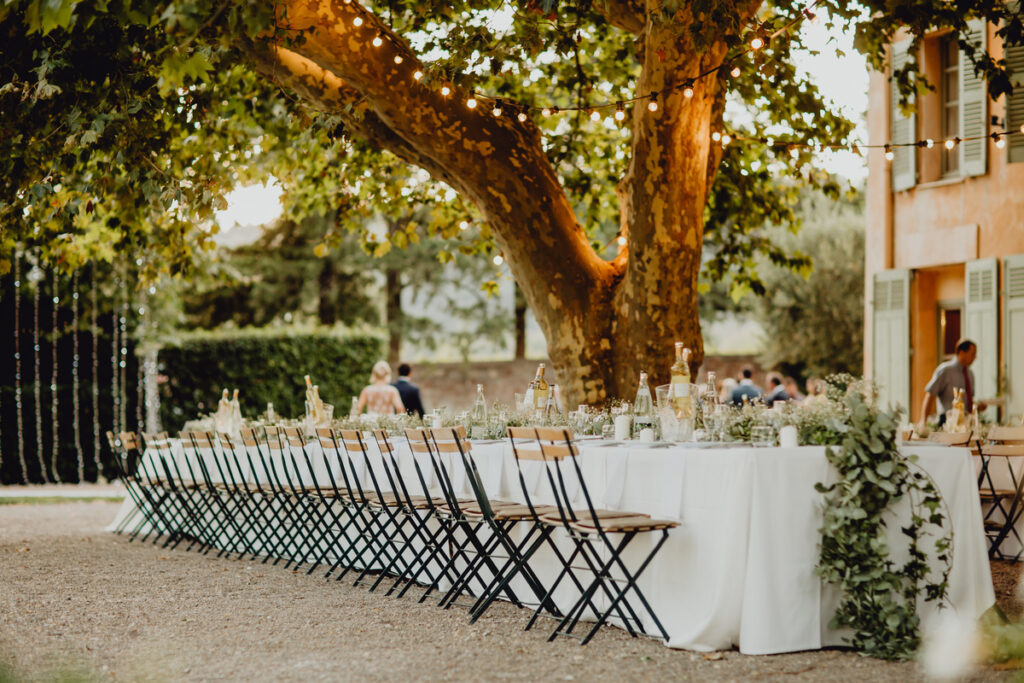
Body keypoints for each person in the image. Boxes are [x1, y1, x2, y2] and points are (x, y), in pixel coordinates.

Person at [917, 339, 986, 430]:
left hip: (965, 422)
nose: (975, 357)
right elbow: (930, 395)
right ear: (961, 353)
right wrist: (924, 422)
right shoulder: (945, 370)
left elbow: (967, 400)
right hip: (947, 421)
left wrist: (977, 407)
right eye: (972, 354)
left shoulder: (970, 374)